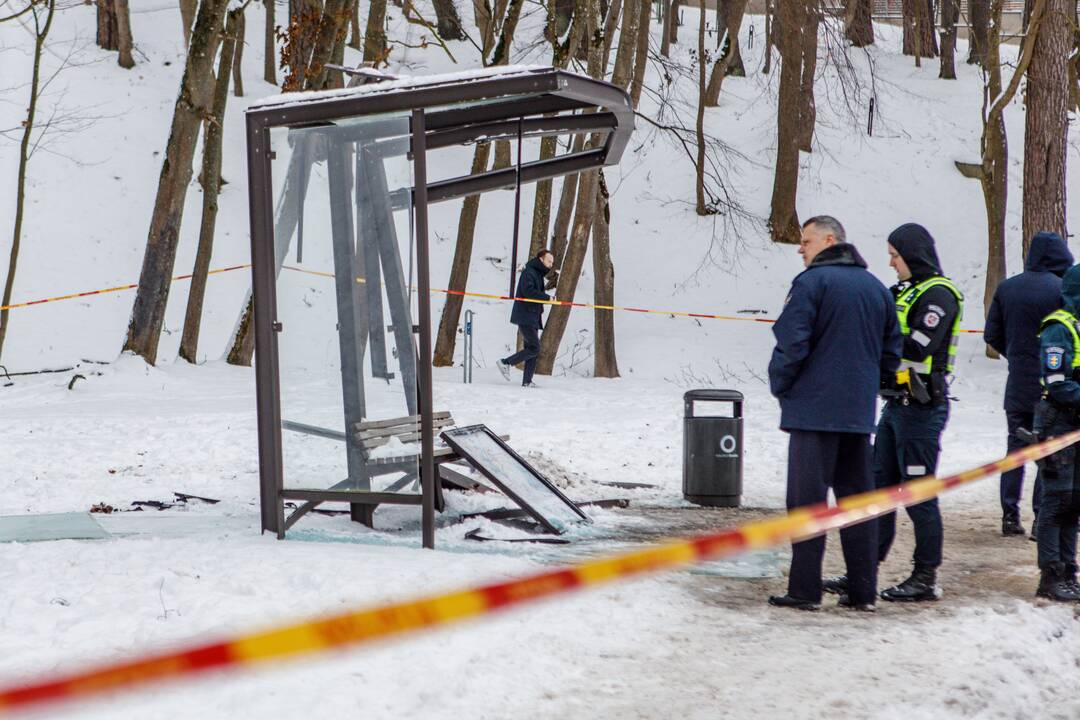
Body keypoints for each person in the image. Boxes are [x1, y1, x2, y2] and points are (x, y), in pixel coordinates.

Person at [767, 216, 901, 612]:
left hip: (813, 414)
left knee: (807, 505)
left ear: (828, 240)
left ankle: (805, 590)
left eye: (805, 242)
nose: (800, 249)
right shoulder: (877, 289)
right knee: (857, 504)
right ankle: (863, 590)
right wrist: (866, 389)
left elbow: (791, 343)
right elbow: (892, 353)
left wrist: (782, 385)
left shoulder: (811, 284)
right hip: (858, 416)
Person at [871, 223, 962, 603]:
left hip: (922, 410)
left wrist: (875, 339)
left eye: (895, 255)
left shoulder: (939, 294)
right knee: (878, 494)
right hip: (896, 405)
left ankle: (925, 576)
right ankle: (864, 571)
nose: (891, 263)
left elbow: (918, 347)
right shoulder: (903, 292)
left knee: (919, 496)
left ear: (912, 254)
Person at [985, 232, 1073, 537]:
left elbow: (991, 335)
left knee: (1014, 450)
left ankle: (1009, 516)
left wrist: (1015, 355)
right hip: (1049, 387)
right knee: (1048, 453)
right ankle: (1040, 518)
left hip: (1017, 383)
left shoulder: (1007, 288)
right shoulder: (1061, 289)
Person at [1031, 264, 1080, 602]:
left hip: (1075, 421)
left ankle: (1069, 570)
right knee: (1057, 501)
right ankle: (1050, 575)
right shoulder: (1058, 328)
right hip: (1058, 420)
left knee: (1074, 502)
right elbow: (1058, 383)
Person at [498, 250, 554, 387]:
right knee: (535, 348)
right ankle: (505, 362)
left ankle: (527, 381)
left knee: (532, 348)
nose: (551, 265)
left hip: (533, 315)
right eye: (549, 261)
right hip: (525, 315)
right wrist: (547, 298)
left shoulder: (538, 274)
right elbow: (528, 292)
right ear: (541, 259)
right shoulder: (529, 272)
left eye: (552, 262)